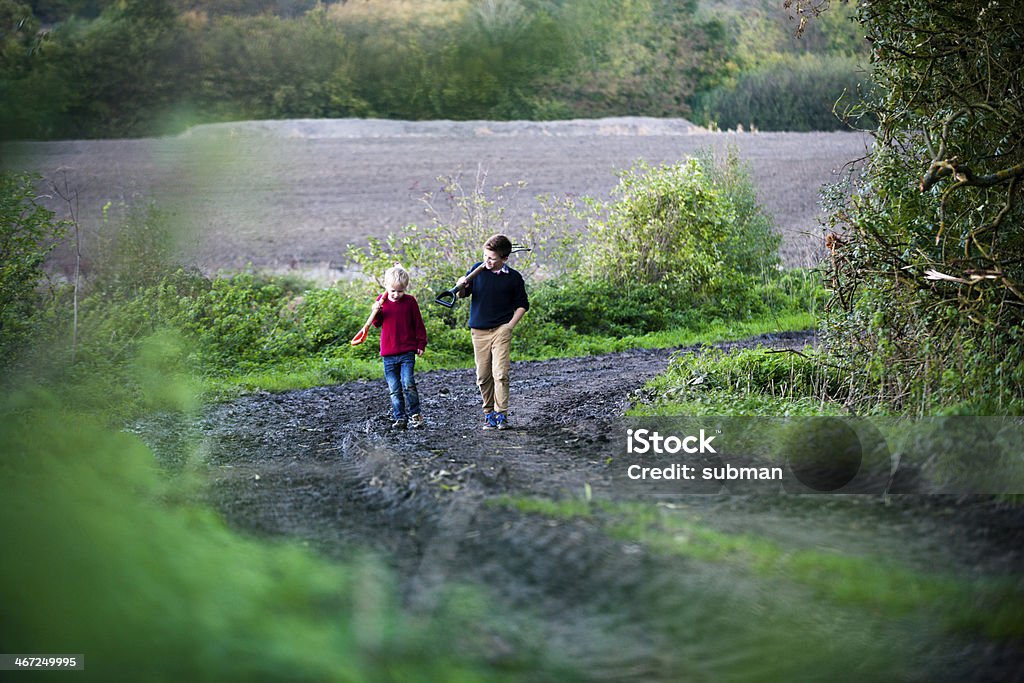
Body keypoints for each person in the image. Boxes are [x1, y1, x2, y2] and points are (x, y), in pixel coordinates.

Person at [456, 234, 529, 430]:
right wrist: (462, 285)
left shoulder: (513, 278)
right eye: (485, 256)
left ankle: (501, 414)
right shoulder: (477, 271)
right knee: (483, 376)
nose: (487, 261)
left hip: (501, 331)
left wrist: (510, 326)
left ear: (504, 259)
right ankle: (488, 413)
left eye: (492, 258)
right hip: (478, 331)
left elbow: (522, 305)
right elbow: (463, 295)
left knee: (501, 374)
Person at [372, 264, 427, 429]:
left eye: (400, 291)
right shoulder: (381, 302)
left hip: (406, 351)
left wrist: (421, 343)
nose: (396, 295)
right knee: (394, 388)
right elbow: (376, 324)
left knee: (408, 382)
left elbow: (418, 324)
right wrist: (376, 311)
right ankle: (400, 418)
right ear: (386, 286)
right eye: (393, 291)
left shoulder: (410, 302)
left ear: (405, 288)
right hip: (388, 354)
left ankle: (415, 415)